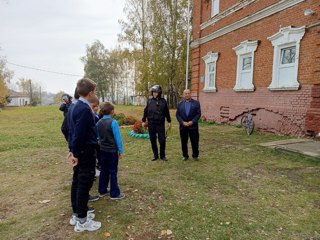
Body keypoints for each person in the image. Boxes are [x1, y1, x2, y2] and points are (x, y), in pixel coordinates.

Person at [69, 78, 101, 232]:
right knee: (83, 183)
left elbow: (74, 132)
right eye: (94, 91)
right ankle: (82, 220)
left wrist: (73, 151)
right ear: (90, 92)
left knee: (77, 181)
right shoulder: (83, 108)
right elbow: (79, 134)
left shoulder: (76, 106)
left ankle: (77, 213)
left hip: (81, 150)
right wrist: (75, 153)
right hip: (85, 151)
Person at [96, 102, 125, 199]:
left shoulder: (98, 122)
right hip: (112, 151)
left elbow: (98, 137)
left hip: (102, 151)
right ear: (111, 111)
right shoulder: (113, 122)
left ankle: (102, 190)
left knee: (104, 169)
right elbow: (118, 139)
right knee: (113, 171)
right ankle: (114, 193)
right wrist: (120, 151)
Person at [142, 85, 171, 161]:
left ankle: (162, 155)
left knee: (162, 140)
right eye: (153, 92)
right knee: (153, 140)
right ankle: (155, 155)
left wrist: (169, 121)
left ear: (159, 92)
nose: (155, 94)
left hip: (160, 124)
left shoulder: (163, 101)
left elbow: (166, 112)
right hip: (151, 124)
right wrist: (143, 120)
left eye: (156, 92)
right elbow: (145, 111)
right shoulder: (149, 101)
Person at [176, 89, 201, 161]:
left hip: (193, 126)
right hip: (183, 126)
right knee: (183, 142)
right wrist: (182, 122)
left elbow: (198, 114)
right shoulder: (180, 104)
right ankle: (185, 155)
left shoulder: (196, 103)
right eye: (185, 93)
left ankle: (195, 155)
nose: (187, 95)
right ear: (183, 94)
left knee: (195, 141)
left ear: (190, 94)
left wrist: (192, 121)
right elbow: (177, 115)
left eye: (188, 93)